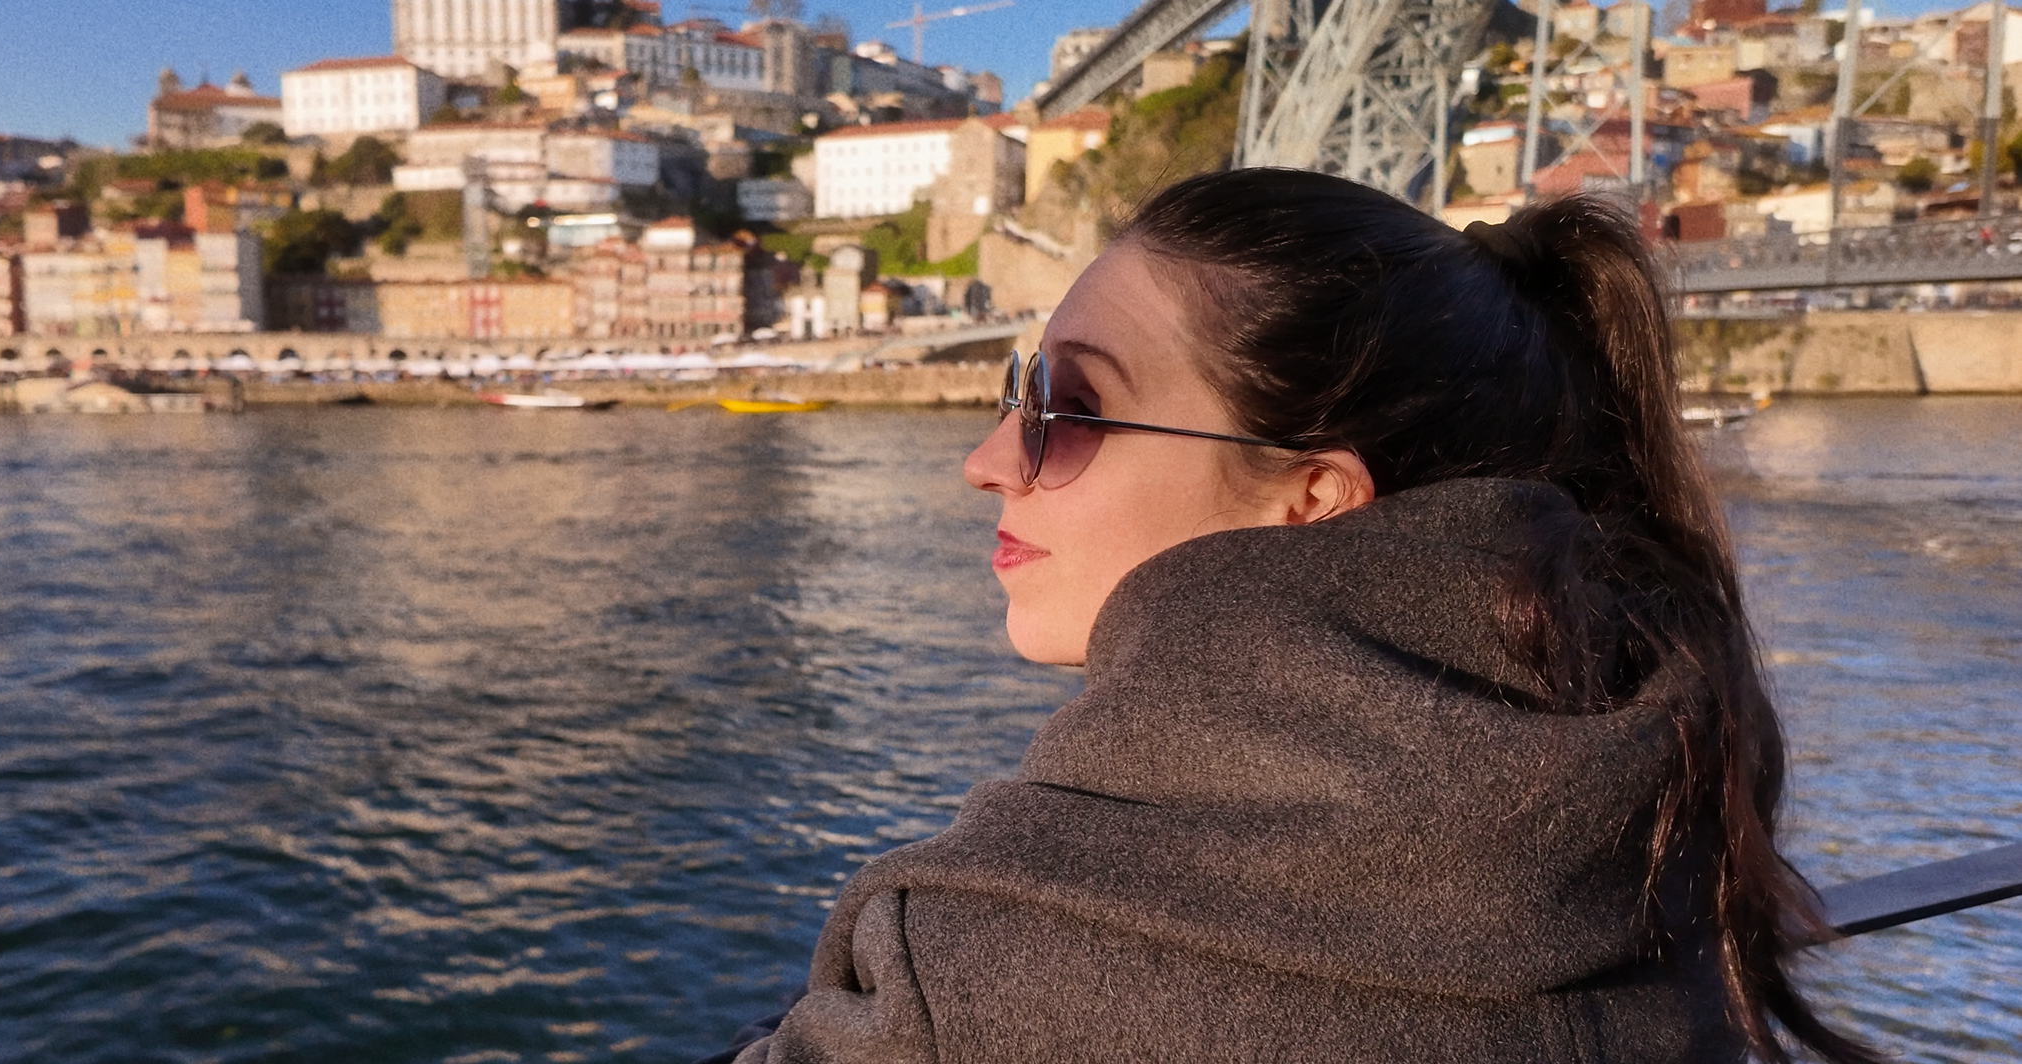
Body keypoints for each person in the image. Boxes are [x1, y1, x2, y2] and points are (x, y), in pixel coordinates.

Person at [701, 169, 1884, 1063]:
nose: (988, 459)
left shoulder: (979, 967)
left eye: (1069, 405)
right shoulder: (1662, 835)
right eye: (1020, 390)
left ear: (1311, 497)